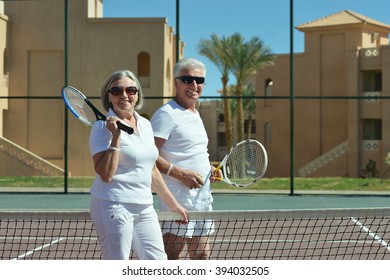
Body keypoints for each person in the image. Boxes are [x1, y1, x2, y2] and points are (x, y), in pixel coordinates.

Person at [89, 69, 188, 260]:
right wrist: (116, 137)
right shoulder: (101, 128)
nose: (124, 95)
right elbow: (106, 174)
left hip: (144, 206)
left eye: (130, 90)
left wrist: (173, 204)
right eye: (116, 91)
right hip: (114, 205)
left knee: (158, 263)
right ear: (109, 96)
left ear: (137, 94)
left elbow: (151, 169)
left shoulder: (145, 124)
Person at [151, 58, 222, 259]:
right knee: (171, 256)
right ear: (176, 82)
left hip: (202, 199)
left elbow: (190, 151)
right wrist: (180, 173)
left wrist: (209, 168)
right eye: (187, 79)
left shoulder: (195, 114)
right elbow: (147, 155)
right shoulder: (166, 114)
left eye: (199, 79)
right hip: (178, 201)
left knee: (202, 257)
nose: (194, 85)